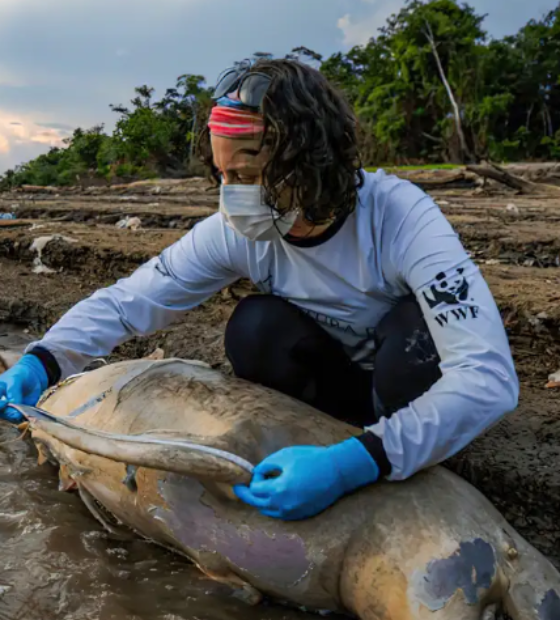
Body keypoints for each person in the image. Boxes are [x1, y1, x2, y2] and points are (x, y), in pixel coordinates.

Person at [0, 59, 519, 521]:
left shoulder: (401, 218)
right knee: (256, 326)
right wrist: (44, 359)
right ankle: (315, 450)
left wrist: (356, 462)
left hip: (399, 385)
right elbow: (133, 300)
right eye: (223, 175)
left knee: (416, 331)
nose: (233, 195)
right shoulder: (238, 231)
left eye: (249, 174)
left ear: (311, 162)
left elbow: (487, 378)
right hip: (330, 391)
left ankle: (390, 453)